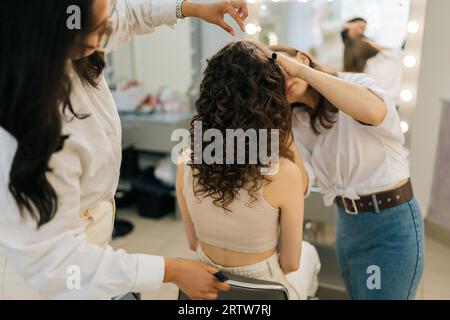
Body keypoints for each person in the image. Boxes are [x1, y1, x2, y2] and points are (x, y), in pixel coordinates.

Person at [0, 0, 249, 300]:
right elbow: (58, 266)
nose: (106, 34)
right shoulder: (26, 129)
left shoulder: (74, 41)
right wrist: (169, 271)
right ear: (52, 28)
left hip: (89, 246)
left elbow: (126, 16)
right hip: (45, 278)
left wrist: (190, 8)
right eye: (97, 30)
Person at [270, 44, 424, 300]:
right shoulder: (297, 122)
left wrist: (303, 72)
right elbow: (301, 181)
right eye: (272, 80)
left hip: (389, 226)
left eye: (284, 69)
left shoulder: (355, 83)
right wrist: (280, 124)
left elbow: (373, 112)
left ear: (302, 59)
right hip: (347, 225)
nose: (283, 80)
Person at [176, 41, 322, 300]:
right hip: (262, 291)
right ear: (271, 103)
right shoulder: (284, 173)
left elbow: (192, 242)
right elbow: (290, 264)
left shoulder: (186, 160)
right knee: (309, 253)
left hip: (206, 289)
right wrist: (282, 122)